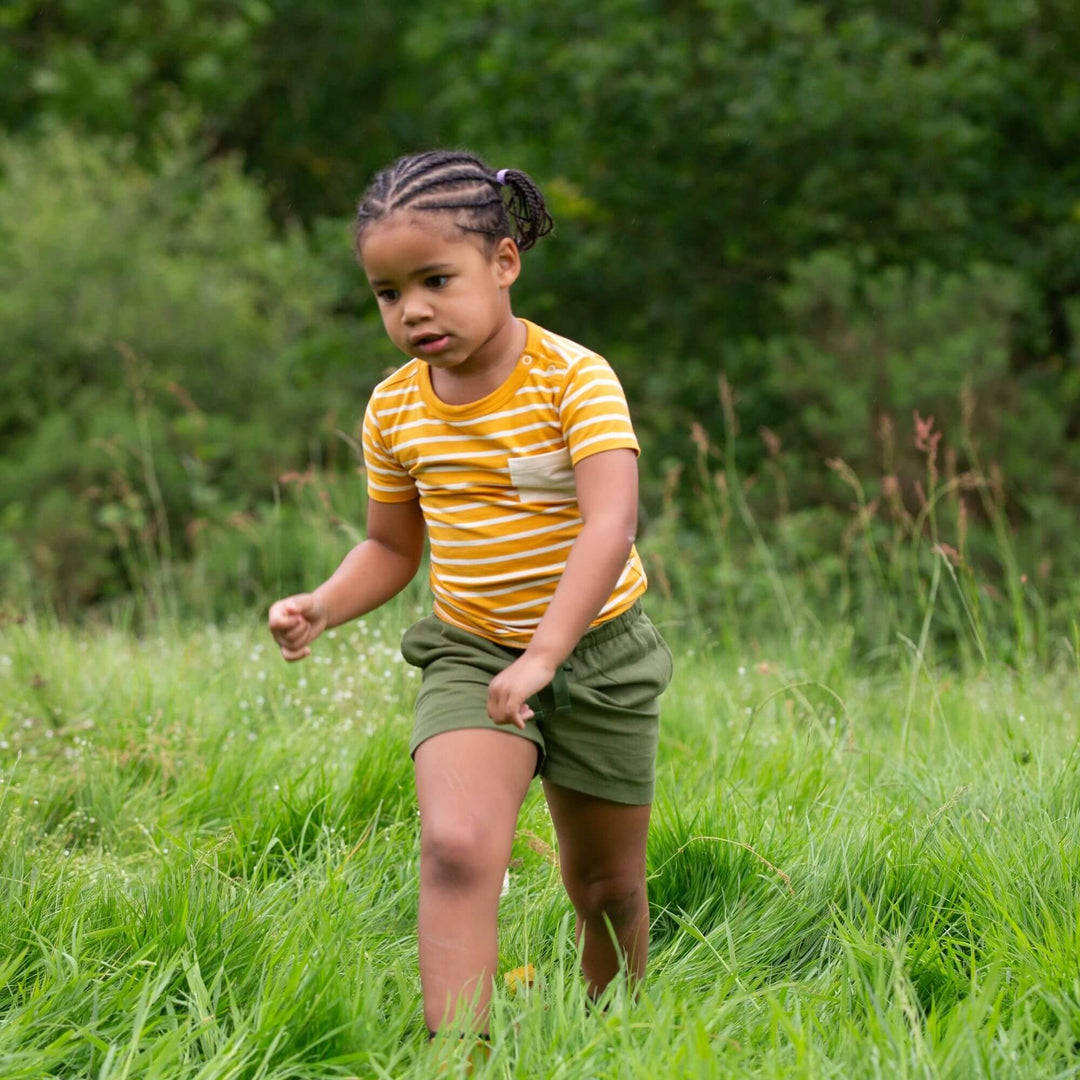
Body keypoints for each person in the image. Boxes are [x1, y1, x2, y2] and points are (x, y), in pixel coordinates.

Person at [267, 149, 673, 1041]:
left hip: (599, 653)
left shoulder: (575, 379)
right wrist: (323, 604)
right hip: (471, 650)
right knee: (456, 848)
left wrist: (547, 657)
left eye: (436, 280)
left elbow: (611, 527)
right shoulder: (395, 410)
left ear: (504, 262)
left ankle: (617, 1038)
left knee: (604, 884)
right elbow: (389, 545)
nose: (411, 310)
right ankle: (459, 1058)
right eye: (387, 292)